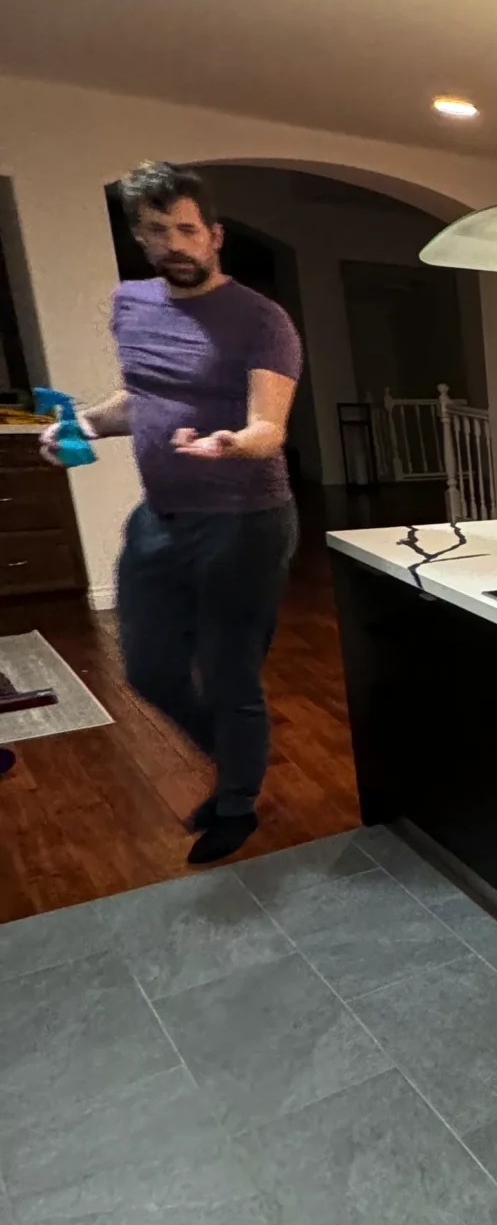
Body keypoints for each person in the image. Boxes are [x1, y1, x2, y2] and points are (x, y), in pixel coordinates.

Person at [43, 162, 303, 864]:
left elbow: (268, 426)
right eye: (158, 231)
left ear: (213, 235)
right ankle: (238, 756)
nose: (174, 243)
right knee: (148, 668)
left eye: (186, 229)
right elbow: (143, 398)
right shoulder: (131, 305)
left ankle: (238, 800)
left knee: (228, 672)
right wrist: (83, 425)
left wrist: (232, 442)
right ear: (141, 237)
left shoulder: (260, 318)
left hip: (246, 519)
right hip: (161, 517)